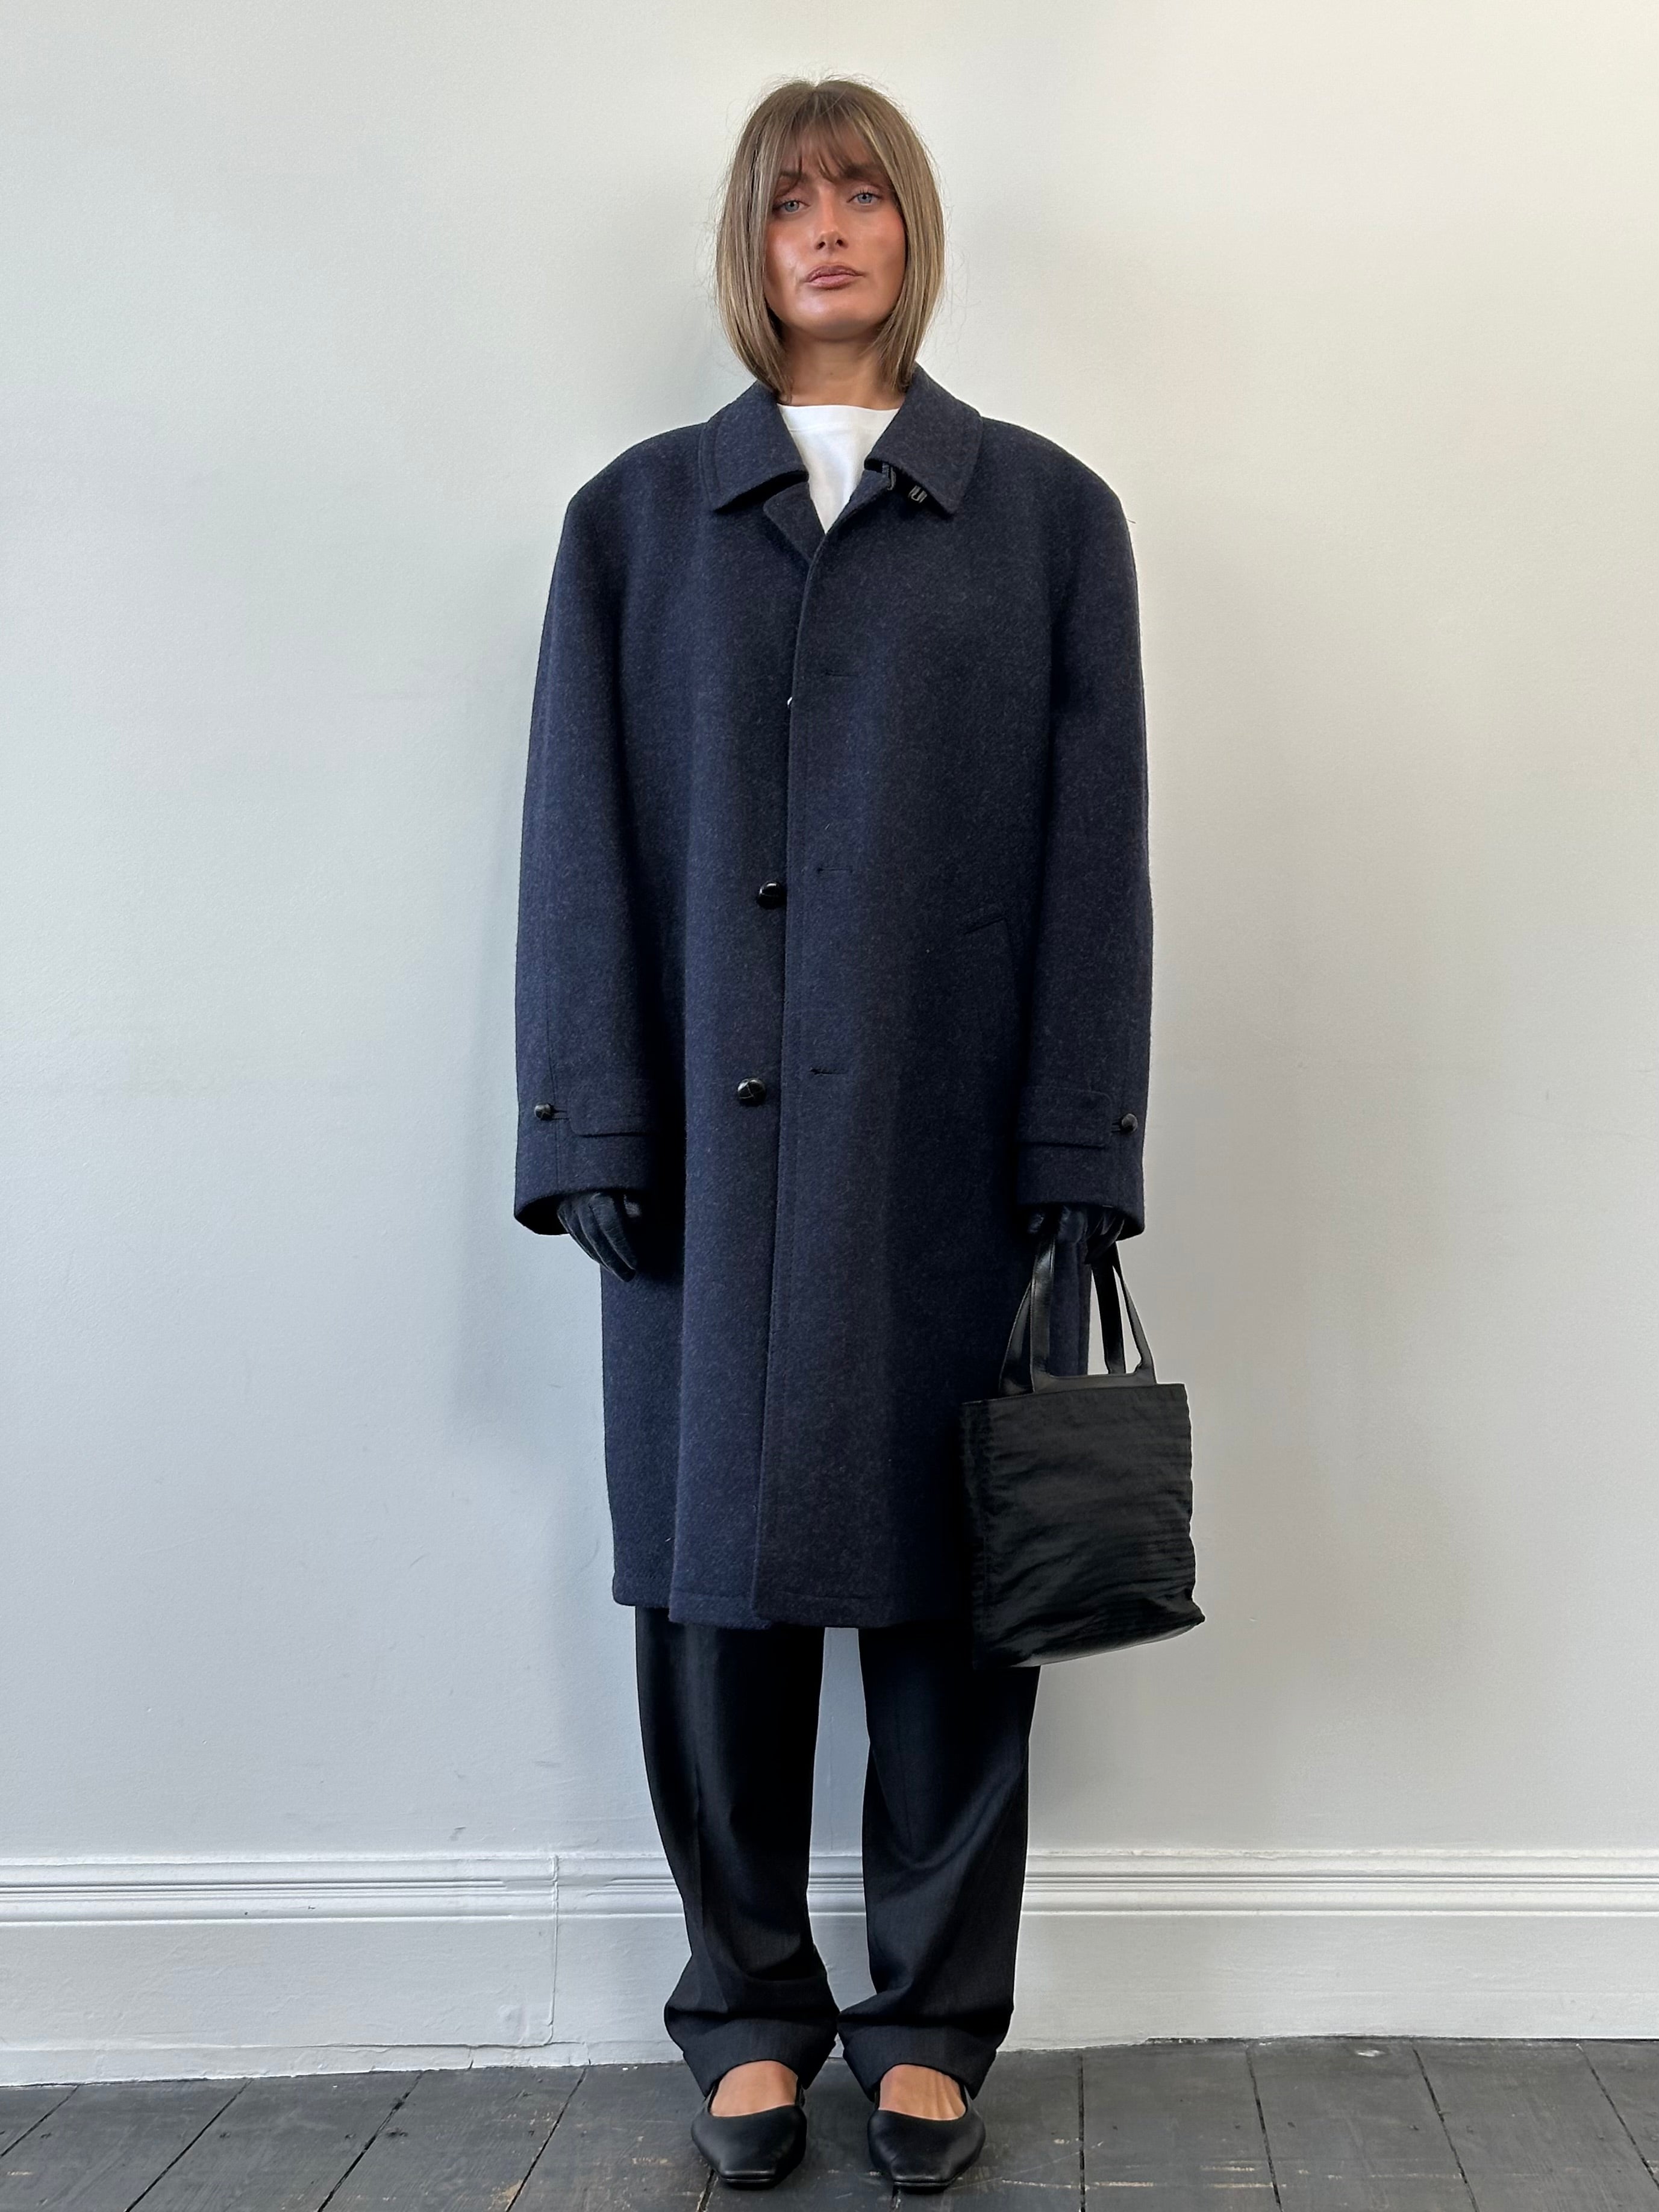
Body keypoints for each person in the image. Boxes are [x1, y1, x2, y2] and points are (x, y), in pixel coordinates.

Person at [513, 75, 1151, 2193]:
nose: (828, 226)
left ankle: (932, 2022)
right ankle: (746, 2014)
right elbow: (577, 837)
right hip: (697, 1164)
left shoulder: (1043, 517)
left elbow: (1096, 857)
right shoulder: (635, 522)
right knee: (713, 1595)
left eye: (863, 190)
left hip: (951, 1153)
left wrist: (1078, 1140)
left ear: (908, 230)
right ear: (748, 241)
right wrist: (585, 1116)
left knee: (960, 1593)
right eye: (790, 198)